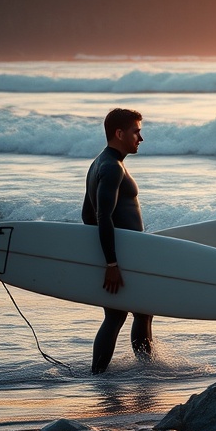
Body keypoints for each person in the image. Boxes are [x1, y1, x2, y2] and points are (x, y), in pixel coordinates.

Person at [82, 108, 153, 374]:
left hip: (122, 253)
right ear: (119, 133)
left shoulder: (100, 163)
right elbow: (102, 216)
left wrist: (100, 255)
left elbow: (86, 214)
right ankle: (110, 375)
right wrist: (111, 262)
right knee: (122, 315)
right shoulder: (111, 167)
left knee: (134, 313)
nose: (140, 138)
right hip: (121, 257)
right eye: (136, 132)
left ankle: (108, 374)